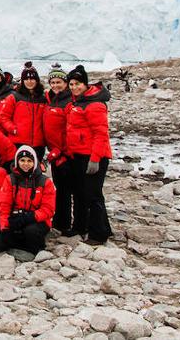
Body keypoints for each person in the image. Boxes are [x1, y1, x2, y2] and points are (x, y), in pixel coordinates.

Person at [64, 65, 113, 243]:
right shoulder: (78, 101)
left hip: (92, 156)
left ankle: (99, 234)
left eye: (78, 83)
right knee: (81, 192)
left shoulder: (94, 104)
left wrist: (95, 159)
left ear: (85, 84)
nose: (74, 87)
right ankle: (82, 227)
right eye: (71, 84)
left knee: (93, 194)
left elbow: (101, 134)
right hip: (78, 155)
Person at [0, 145, 57, 254]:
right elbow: (4, 205)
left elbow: (49, 209)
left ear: (34, 162)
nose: (25, 164)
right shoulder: (10, 179)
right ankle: (23, 245)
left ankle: (33, 247)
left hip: (37, 220)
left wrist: (30, 216)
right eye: (22, 160)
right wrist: (4, 227)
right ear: (17, 161)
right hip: (16, 217)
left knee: (30, 231)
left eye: (29, 161)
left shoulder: (45, 182)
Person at [44, 67, 73, 233]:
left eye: (59, 82)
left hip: (64, 152)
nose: (56, 85)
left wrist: (62, 151)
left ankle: (66, 223)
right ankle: (60, 220)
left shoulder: (69, 101)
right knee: (59, 186)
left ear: (65, 83)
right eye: (53, 82)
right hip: (54, 152)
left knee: (66, 188)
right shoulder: (51, 99)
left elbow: (71, 129)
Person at [7, 63, 46, 159]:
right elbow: (4, 116)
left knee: (36, 172)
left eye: (32, 79)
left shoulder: (43, 99)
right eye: (26, 79)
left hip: (38, 144)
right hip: (18, 142)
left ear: (37, 80)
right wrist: (13, 129)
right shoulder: (15, 97)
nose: (29, 81)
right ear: (22, 81)